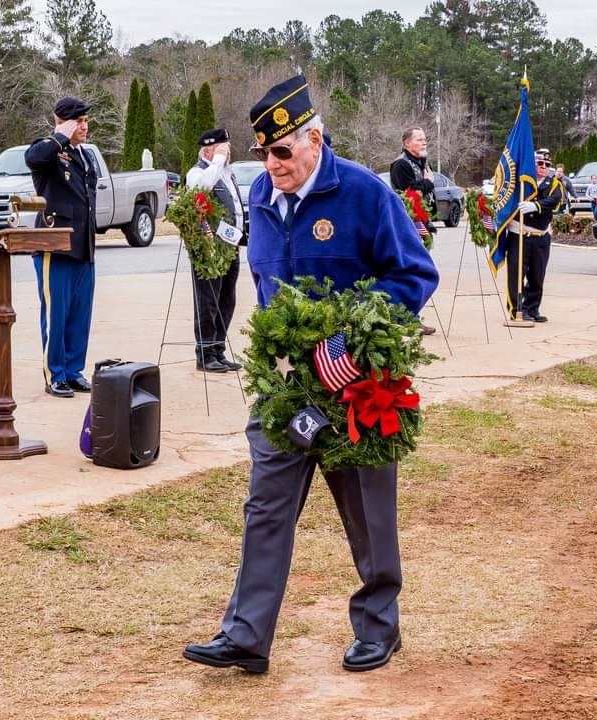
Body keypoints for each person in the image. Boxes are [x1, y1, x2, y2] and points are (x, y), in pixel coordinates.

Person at [183, 75, 439, 675]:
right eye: (263, 154)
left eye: (282, 152)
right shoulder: (262, 200)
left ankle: (379, 627)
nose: (272, 165)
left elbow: (414, 275)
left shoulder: (364, 193)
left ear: (314, 140)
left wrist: (353, 337)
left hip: (357, 382)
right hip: (285, 386)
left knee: (366, 509)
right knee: (266, 506)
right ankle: (246, 635)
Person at [26, 97, 97, 398]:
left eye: (84, 121)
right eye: (78, 121)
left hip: (82, 246)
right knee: (56, 313)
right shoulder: (50, 149)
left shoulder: (86, 155)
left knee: (80, 313)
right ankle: (54, 373)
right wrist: (60, 136)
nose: (84, 126)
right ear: (63, 122)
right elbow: (33, 158)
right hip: (55, 246)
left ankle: (73, 370)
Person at [185, 127, 243, 373]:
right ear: (209, 149)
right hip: (208, 248)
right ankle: (205, 353)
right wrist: (217, 160)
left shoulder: (227, 174)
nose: (227, 153)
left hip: (230, 246)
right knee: (207, 301)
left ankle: (218, 349)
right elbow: (200, 190)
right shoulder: (198, 172)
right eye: (223, 149)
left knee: (226, 300)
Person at [504, 148, 564, 325]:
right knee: (516, 274)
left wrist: (535, 206)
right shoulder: (520, 182)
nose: (544, 167)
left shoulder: (553, 184)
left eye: (547, 164)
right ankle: (516, 309)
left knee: (537, 275)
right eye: (540, 163)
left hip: (540, 236)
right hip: (519, 234)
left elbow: (554, 201)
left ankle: (532, 308)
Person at [389, 127, 438, 336]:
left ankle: (412, 316)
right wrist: (428, 182)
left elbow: (425, 197)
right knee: (413, 272)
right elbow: (409, 194)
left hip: (421, 223)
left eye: (425, 139)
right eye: (419, 139)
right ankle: (407, 318)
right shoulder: (401, 164)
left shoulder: (422, 162)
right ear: (406, 143)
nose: (423, 142)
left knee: (420, 271)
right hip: (407, 225)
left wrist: (430, 221)